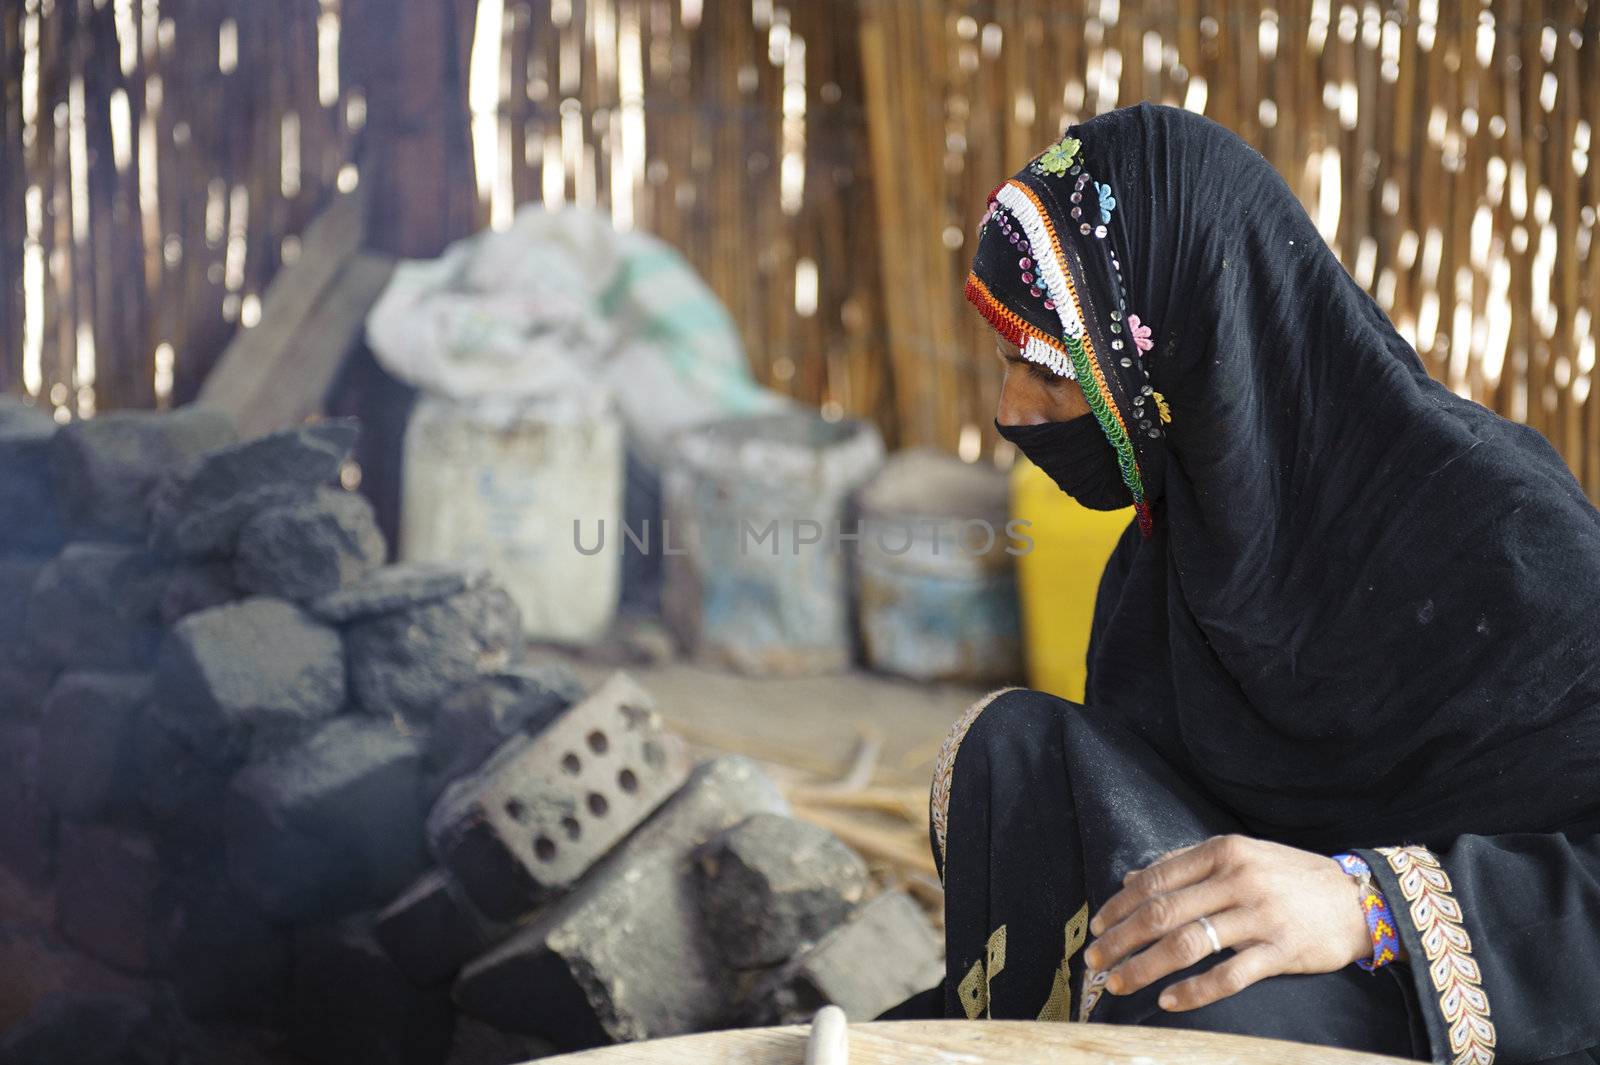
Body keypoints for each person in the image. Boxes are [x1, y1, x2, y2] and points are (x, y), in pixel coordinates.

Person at [915, 103, 1600, 1064]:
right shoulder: (1186, 537)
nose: (1011, 413)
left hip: (1473, 993)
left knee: (1185, 1019)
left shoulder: (1505, 533)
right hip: (1266, 940)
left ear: (1167, 347)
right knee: (1013, 755)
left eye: (1047, 372)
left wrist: (1365, 902)